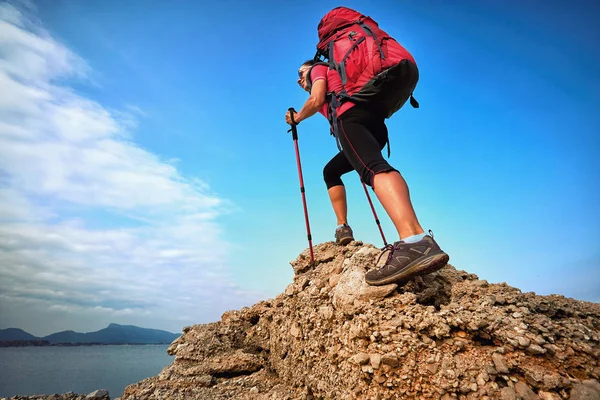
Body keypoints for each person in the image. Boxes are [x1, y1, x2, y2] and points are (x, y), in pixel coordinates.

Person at [284, 59, 449, 286]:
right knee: (332, 171)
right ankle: (343, 227)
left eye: (300, 72)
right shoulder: (339, 77)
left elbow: (317, 99)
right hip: (374, 123)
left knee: (375, 169)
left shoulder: (318, 70)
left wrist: (297, 117)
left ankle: (415, 239)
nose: (299, 79)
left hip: (351, 119)